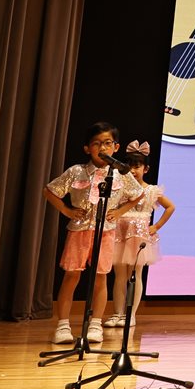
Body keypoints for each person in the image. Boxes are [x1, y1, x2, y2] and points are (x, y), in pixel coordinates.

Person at [42, 121, 127, 346]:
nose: (103, 148)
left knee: (100, 277)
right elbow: (50, 191)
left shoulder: (120, 174)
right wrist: (67, 211)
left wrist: (118, 212)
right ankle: (63, 326)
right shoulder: (76, 171)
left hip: (105, 232)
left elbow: (137, 194)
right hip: (79, 229)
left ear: (116, 147)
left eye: (107, 143)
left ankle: (95, 324)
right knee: (72, 275)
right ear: (87, 148)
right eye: (97, 144)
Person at [105, 141, 174, 330]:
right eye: (130, 166)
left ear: (146, 169)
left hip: (139, 235)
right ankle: (117, 313)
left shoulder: (151, 190)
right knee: (119, 275)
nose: (133, 171)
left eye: (137, 166)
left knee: (135, 274)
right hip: (120, 232)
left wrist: (156, 226)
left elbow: (170, 207)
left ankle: (131, 315)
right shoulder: (120, 189)